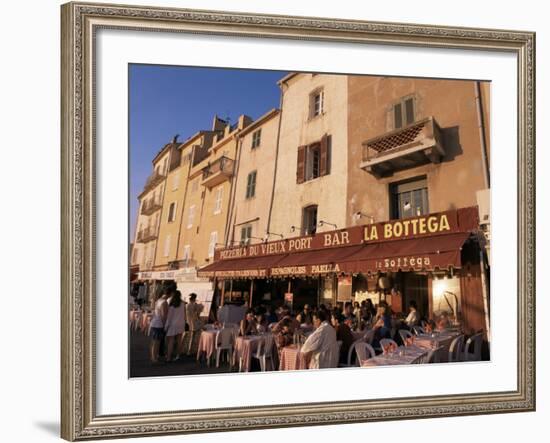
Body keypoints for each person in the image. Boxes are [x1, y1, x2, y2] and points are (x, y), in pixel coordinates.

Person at [164, 290, 186, 361]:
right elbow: (184, 314)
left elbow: (169, 317)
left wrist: (166, 326)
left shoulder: (172, 305)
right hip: (181, 323)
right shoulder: (182, 303)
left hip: (173, 324)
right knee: (179, 340)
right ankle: (178, 355)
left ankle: (168, 357)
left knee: (171, 341)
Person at [149, 288, 170, 363]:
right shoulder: (164, 302)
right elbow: (164, 316)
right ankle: (154, 358)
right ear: (168, 294)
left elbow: (155, 312)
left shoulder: (158, 300)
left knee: (154, 342)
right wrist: (164, 326)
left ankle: (153, 356)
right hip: (159, 324)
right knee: (157, 342)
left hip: (154, 322)